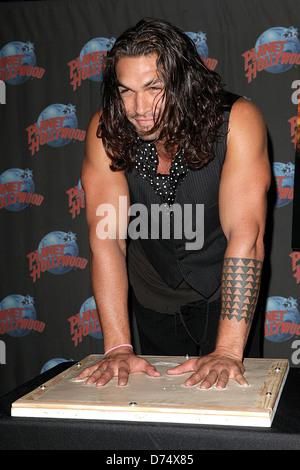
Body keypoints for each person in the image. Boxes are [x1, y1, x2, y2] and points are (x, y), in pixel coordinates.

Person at [77, 18, 270, 390]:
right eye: (126, 91)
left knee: (229, 398)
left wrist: (229, 350)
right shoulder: (108, 131)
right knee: (158, 403)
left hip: (222, 283)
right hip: (153, 287)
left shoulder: (236, 121)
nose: (139, 108)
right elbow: (107, 237)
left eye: (154, 88)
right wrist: (117, 345)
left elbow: (247, 233)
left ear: (183, 82)